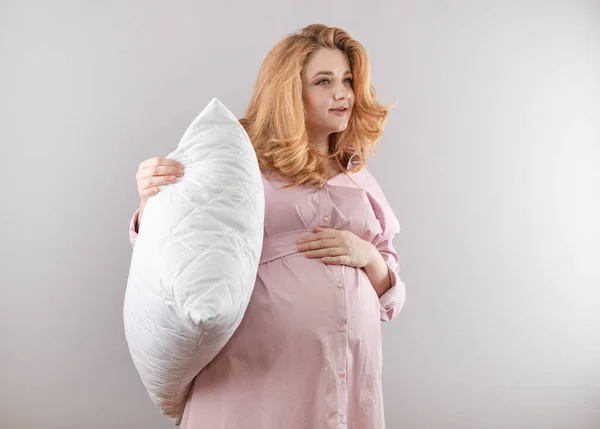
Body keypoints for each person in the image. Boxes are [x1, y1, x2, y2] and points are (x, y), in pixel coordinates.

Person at [129, 23, 406, 429]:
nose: (342, 93)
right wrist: (148, 202)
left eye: (347, 80)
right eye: (324, 81)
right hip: (256, 369)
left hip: (347, 371)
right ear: (291, 92)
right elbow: (179, 249)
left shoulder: (359, 179)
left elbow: (391, 297)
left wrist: (369, 257)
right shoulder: (243, 164)